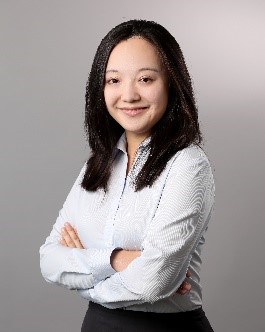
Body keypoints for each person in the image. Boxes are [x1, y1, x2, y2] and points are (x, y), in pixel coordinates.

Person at [39, 19, 215, 331]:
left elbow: (152, 282)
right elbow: (49, 260)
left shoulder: (188, 165)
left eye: (146, 79)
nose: (129, 95)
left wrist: (84, 277)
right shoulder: (97, 165)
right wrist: (119, 259)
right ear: (101, 88)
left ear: (171, 82)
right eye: (114, 81)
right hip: (96, 325)